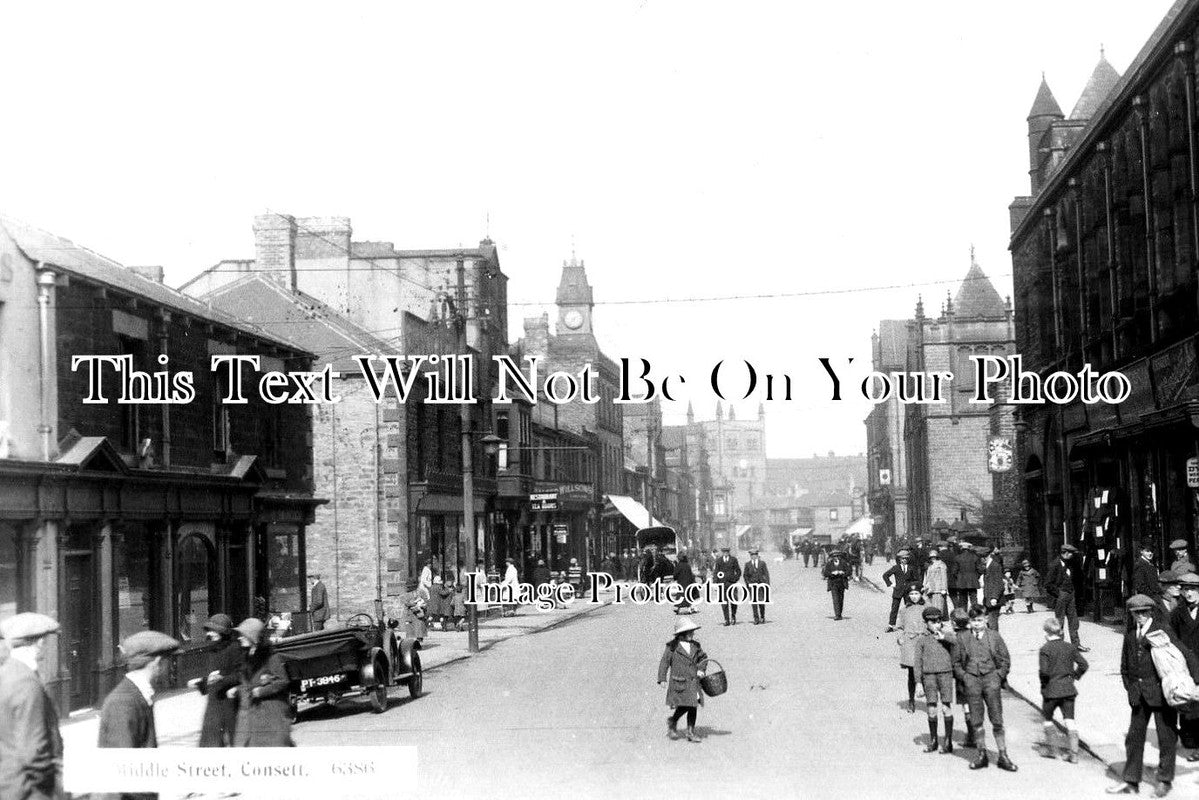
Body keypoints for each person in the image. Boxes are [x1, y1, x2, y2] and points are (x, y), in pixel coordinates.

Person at [1107, 594, 1197, 797]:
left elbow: (1184, 652)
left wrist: (1196, 680)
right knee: (1133, 739)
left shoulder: (1161, 630)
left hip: (1161, 695)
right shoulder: (1130, 634)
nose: (1140, 616)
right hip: (1138, 696)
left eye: (1144, 612)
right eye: (1136, 613)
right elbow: (1125, 664)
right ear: (1131, 614)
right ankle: (1131, 781)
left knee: (1167, 738)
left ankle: (1165, 780)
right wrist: (1130, 687)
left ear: (1150, 612)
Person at [0, 612, 62, 800]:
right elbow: (34, 751)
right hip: (29, 790)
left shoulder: (7, 673)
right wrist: (49, 785)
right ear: (39, 643)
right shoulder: (26, 682)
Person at [953, 604, 1017, 772]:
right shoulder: (962, 637)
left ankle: (1003, 755)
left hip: (991, 681)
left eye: (980, 620)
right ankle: (981, 754)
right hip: (972, 681)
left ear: (986, 619)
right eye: (974, 620)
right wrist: (965, 677)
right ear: (969, 621)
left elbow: (1005, 659)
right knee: (976, 720)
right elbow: (956, 663)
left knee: (997, 719)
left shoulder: (994, 636)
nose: (976, 624)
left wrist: (998, 676)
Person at [99, 630, 182, 749]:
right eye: (168, 661)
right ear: (158, 662)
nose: (169, 668)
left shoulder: (138, 694)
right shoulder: (123, 702)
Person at [230, 618, 294, 747]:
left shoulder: (270, 656)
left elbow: (282, 681)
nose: (240, 638)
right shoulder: (247, 656)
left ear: (253, 637)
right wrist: (237, 689)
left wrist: (261, 691)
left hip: (272, 711)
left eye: (243, 635)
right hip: (255, 712)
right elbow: (248, 683)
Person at [1037, 617, 1088, 763]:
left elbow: (1044, 672)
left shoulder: (1045, 649)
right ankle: (1074, 754)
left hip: (1051, 691)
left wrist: (1044, 686)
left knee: (1047, 720)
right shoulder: (1070, 647)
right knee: (1070, 720)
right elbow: (1084, 665)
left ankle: (1054, 752)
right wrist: (1074, 677)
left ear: (1046, 633)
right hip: (1068, 690)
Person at [657, 617, 709, 744]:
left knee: (692, 706)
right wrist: (662, 678)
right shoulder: (672, 647)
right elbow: (664, 662)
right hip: (679, 682)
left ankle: (690, 732)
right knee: (684, 705)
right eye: (689, 632)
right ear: (681, 633)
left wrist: (701, 669)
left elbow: (703, 658)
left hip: (693, 682)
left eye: (692, 631)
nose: (692, 634)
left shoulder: (695, 646)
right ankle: (673, 720)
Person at [912, 606, 956, 754]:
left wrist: (944, 637)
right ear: (926, 623)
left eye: (938, 622)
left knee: (946, 706)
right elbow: (917, 662)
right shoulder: (922, 640)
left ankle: (948, 742)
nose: (936, 625)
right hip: (929, 676)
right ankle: (933, 741)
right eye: (932, 622)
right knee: (931, 708)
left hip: (945, 674)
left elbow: (957, 642)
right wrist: (918, 683)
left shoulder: (947, 636)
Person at [193, 613, 241, 747]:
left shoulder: (235, 648)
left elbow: (242, 675)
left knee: (235, 741)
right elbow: (211, 676)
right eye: (209, 630)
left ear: (223, 632)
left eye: (213, 630)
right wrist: (201, 682)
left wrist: (222, 679)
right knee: (210, 743)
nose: (210, 634)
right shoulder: (213, 649)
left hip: (230, 702)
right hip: (214, 703)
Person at [1170, 573, 1199, 763]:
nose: (1188, 593)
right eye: (1185, 589)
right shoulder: (1177, 613)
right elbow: (1171, 638)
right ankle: (1190, 737)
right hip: (1185, 665)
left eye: (1193, 589)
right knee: (1188, 702)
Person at [1044, 544, 1089, 652]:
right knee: (1059, 621)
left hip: (1071, 594)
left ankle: (1076, 644)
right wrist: (1058, 594)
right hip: (1061, 595)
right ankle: (1060, 646)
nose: (1072, 556)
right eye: (1071, 554)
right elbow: (1048, 584)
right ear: (1066, 553)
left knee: (1074, 621)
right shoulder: (1055, 564)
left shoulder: (1071, 563)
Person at [897, 584, 927, 713]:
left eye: (916, 594)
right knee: (911, 673)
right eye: (911, 594)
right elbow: (900, 626)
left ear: (921, 594)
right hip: (910, 642)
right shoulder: (904, 609)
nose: (914, 597)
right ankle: (911, 701)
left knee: (926, 671)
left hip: (924, 641)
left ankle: (930, 700)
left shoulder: (927, 608)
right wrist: (900, 638)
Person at [883, 550, 920, 631]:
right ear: (899, 559)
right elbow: (885, 575)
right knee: (894, 608)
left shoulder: (911, 568)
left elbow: (916, 579)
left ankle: (909, 624)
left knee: (909, 608)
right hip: (898, 591)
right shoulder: (896, 568)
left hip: (907, 592)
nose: (904, 560)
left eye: (906, 558)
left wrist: (913, 587)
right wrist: (891, 584)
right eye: (903, 558)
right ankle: (891, 625)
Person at [713, 546, 742, 626]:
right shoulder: (719, 561)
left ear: (729, 552)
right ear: (722, 553)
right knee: (724, 603)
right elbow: (716, 572)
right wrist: (715, 583)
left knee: (734, 601)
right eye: (724, 552)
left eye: (727, 552)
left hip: (732, 584)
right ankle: (726, 620)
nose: (726, 553)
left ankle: (733, 616)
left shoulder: (733, 560)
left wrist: (735, 579)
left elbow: (738, 571)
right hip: (722, 585)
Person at [743, 547, 771, 624]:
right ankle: (756, 618)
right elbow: (745, 575)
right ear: (750, 556)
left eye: (755, 554)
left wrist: (767, 585)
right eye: (752, 555)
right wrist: (748, 584)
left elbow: (766, 574)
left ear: (757, 555)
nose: (753, 556)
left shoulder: (762, 563)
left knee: (761, 602)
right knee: (754, 603)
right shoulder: (747, 564)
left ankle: (762, 616)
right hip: (752, 586)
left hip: (761, 586)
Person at [951, 542, 981, 612]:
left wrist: (959, 577)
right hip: (973, 581)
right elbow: (979, 569)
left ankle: (964, 613)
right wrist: (976, 576)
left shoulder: (957, 558)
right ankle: (975, 613)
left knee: (962, 599)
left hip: (961, 581)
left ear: (961, 548)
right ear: (969, 549)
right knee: (973, 599)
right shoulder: (975, 557)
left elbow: (954, 571)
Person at [823, 547, 852, 620]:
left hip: (842, 582)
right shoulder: (829, 564)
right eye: (834, 556)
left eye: (837, 556)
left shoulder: (844, 563)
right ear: (832, 557)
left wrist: (843, 573)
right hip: (833, 583)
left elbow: (849, 572)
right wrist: (832, 573)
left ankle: (840, 614)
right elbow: (825, 573)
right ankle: (837, 615)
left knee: (841, 599)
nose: (836, 557)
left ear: (840, 556)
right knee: (835, 599)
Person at [981, 545, 1005, 630]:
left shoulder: (995, 566)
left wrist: (994, 597)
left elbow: (999, 584)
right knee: (989, 622)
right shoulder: (987, 566)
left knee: (992, 622)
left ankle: (994, 637)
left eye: (981, 559)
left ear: (985, 557)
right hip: (988, 598)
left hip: (994, 599)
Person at [399, 577, 428, 643]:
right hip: (410, 613)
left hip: (419, 613)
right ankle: (411, 643)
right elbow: (405, 602)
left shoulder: (421, 592)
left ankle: (419, 640)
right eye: (408, 587)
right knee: (410, 629)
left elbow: (426, 600)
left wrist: (422, 604)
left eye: (410, 587)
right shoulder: (406, 594)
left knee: (419, 628)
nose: (408, 588)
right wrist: (410, 604)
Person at [922, 548, 949, 617]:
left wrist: (944, 588)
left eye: (934, 557)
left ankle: (939, 618)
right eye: (931, 557)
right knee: (931, 605)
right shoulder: (930, 566)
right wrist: (925, 586)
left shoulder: (941, 565)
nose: (932, 558)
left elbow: (944, 577)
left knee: (939, 605)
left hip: (938, 588)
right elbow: (927, 577)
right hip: (930, 588)